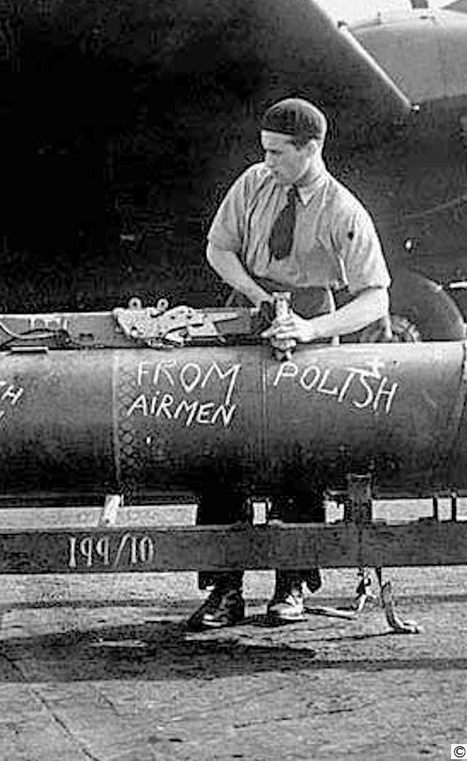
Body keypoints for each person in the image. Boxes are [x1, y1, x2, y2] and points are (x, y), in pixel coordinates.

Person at [189, 97, 392, 630]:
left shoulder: (342, 209)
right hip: (247, 311)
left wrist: (309, 329)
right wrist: (255, 296)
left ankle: (292, 585)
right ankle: (223, 590)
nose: (268, 162)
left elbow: (375, 298)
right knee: (222, 446)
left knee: (299, 455)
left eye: (278, 153)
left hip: (309, 319)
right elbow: (219, 249)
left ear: (310, 150)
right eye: (265, 151)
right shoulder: (254, 183)